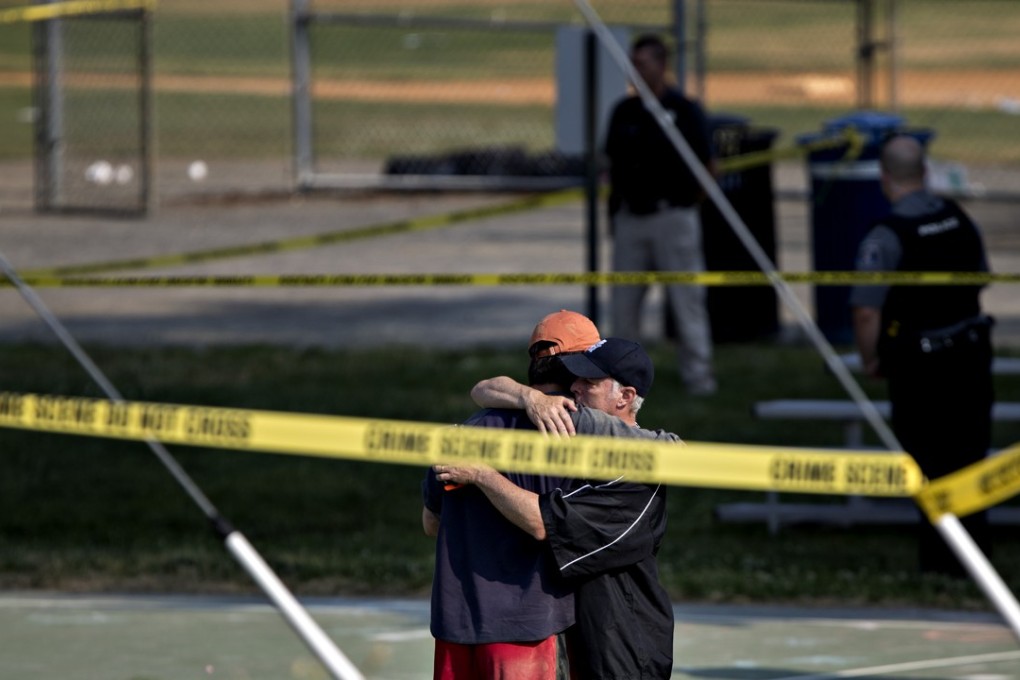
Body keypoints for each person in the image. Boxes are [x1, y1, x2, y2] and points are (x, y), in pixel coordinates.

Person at [422, 311, 679, 679]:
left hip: (458, 624)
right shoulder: (574, 431)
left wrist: (482, 473)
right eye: (578, 371)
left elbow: (432, 522)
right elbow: (543, 524)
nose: (577, 386)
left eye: (588, 377)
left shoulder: (469, 430)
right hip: (534, 629)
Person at [850, 134, 994, 577]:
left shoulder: (886, 236)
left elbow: (866, 311)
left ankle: (938, 565)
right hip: (971, 357)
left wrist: (871, 359)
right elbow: (981, 280)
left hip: (921, 368)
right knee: (970, 457)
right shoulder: (958, 217)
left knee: (928, 464)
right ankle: (975, 563)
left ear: (884, 177)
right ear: (925, 172)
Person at [604, 33, 717, 396]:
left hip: (673, 218)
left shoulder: (685, 110)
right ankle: (619, 385)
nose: (637, 71)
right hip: (631, 220)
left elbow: (709, 166)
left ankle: (698, 377)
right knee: (624, 308)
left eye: (644, 63)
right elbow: (611, 166)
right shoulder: (624, 111)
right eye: (633, 64)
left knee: (687, 304)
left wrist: (685, 204)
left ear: (662, 64)